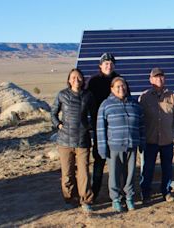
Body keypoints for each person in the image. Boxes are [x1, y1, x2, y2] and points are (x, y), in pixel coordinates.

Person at [97, 77, 145, 212]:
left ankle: (129, 197)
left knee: (130, 174)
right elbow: (100, 128)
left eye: (123, 86)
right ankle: (116, 199)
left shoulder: (135, 105)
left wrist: (142, 143)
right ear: (112, 89)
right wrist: (102, 148)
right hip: (114, 146)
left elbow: (142, 126)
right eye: (117, 86)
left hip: (132, 145)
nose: (121, 89)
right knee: (114, 174)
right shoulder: (106, 105)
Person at [51, 68, 94, 213]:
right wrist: (58, 124)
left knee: (83, 173)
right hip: (64, 141)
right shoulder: (62, 95)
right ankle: (69, 198)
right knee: (67, 173)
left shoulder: (88, 95)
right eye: (73, 77)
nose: (76, 80)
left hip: (82, 140)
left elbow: (94, 115)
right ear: (69, 80)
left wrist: (89, 127)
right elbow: (53, 113)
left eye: (79, 77)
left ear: (83, 80)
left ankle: (86, 200)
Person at [139, 67, 174, 204]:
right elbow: (140, 119)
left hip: (167, 140)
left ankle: (166, 192)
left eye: (161, 76)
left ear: (164, 78)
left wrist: (172, 132)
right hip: (150, 140)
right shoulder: (144, 97)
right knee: (148, 168)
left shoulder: (172, 96)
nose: (159, 79)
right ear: (150, 79)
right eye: (156, 77)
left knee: (167, 168)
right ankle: (146, 193)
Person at [86, 53, 120, 201]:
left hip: (116, 128)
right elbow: (85, 101)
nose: (109, 65)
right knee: (99, 161)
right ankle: (95, 192)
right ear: (100, 65)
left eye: (111, 63)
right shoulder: (93, 81)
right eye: (106, 63)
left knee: (117, 162)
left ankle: (117, 193)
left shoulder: (119, 80)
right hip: (99, 127)